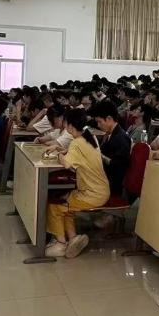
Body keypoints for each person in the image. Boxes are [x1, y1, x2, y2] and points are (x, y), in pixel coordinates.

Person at [44, 109, 110, 258]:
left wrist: (58, 154)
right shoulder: (90, 137)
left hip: (91, 194)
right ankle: (73, 239)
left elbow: (67, 164)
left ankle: (60, 244)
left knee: (55, 206)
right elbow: (79, 154)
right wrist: (60, 149)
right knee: (65, 205)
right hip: (100, 190)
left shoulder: (76, 143)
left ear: (70, 126)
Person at [89, 101, 131, 196]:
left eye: (100, 122)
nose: (98, 125)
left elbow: (118, 166)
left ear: (109, 118)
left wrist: (100, 155)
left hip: (111, 185)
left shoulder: (121, 138)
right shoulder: (110, 134)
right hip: (104, 177)